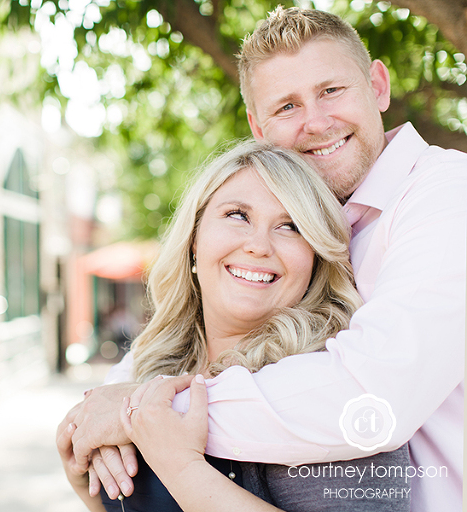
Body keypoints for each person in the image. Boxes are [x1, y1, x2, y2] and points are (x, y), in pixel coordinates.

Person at [61, 6, 466, 511]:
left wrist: (140, 413)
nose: (316, 123)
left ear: (378, 86)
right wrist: (102, 419)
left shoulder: (447, 195)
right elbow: (167, 349)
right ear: (257, 126)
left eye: (331, 91)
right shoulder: (323, 220)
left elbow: (376, 393)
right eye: (287, 107)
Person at [57, 140, 410, 511]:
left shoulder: (331, 394)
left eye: (291, 226)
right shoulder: (150, 367)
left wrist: (182, 466)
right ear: (194, 239)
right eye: (238, 215)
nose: (258, 246)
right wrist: (83, 483)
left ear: (315, 260)